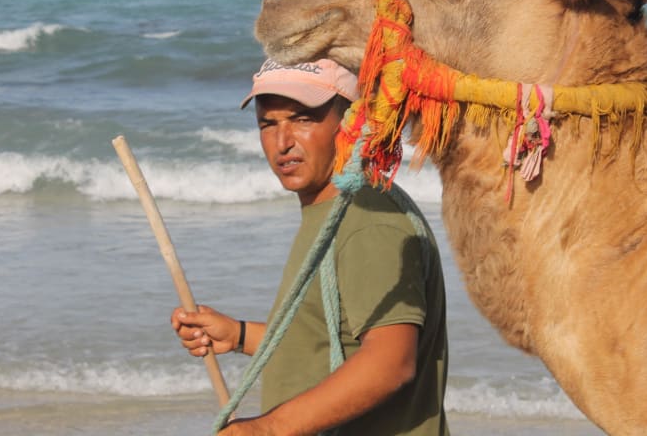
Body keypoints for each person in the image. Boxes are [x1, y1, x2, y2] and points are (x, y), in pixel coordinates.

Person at [171, 58, 450, 435]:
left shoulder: (369, 219)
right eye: (268, 124)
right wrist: (238, 335)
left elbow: (390, 364)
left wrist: (267, 430)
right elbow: (327, 341)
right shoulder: (332, 209)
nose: (282, 142)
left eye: (302, 119)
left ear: (351, 121)